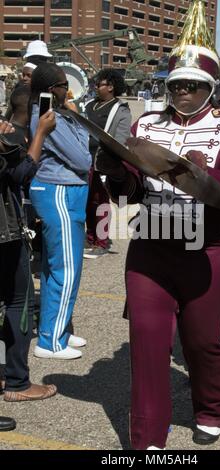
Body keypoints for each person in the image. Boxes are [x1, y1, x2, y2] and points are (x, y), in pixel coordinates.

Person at [100, 0, 220, 449]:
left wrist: (202, 175)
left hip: (207, 249)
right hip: (151, 246)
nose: (182, 93)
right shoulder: (147, 123)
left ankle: (211, 407)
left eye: (192, 85)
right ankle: (147, 439)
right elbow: (129, 192)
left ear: (210, 88)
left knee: (202, 342)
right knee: (147, 346)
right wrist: (115, 169)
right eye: (176, 85)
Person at [29, 63, 92, 360]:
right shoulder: (48, 117)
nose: (68, 89)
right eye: (63, 84)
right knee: (66, 269)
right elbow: (82, 158)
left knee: (56, 267)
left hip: (65, 192)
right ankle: (51, 341)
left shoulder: (59, 115)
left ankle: (58, 330)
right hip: (59, 192)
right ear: (51, 89)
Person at [0, 113, 58, 402]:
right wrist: (40, 135)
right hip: (4, 234)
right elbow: (22, 173)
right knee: (18, 303)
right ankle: (17, 382)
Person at [84, 68, 131, 259]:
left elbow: (121, 139)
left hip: (103, 162)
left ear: (110, 87)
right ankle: (89, 237)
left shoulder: (121, 110)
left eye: (100, 84)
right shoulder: (89, 104)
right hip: (83, 160)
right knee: (86, 201)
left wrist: (111, 162)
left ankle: (101, 241)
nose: (96, 87)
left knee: (100, 202)